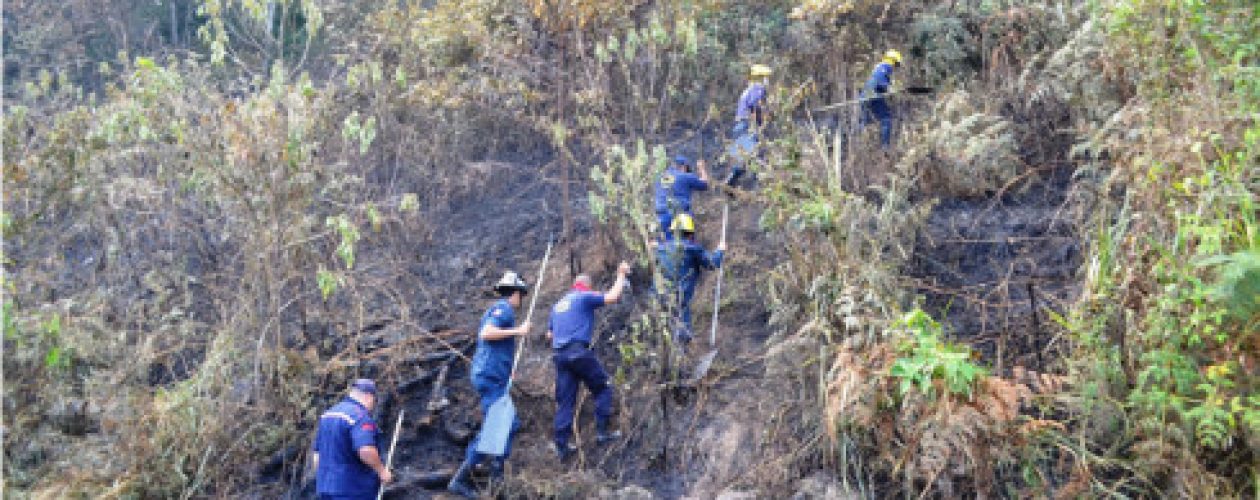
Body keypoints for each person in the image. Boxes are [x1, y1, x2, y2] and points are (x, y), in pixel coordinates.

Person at [447, 271, 533, 498]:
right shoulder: (503, 309)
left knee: (509, 424)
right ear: (515, 293)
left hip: (494, 376)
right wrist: (519, 331)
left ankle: (495, 476)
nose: (521, 300)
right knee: (498, 427)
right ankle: (464, 479)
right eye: (521, 295)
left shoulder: (501, 310)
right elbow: (487, 333)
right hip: (489, 377)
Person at [546, 262, 631, 460]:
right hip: (578, 352)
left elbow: (549, 335)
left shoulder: (557, 305)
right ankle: (602, 433)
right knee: (602, 387)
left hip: (560, 356)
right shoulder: (583, 297)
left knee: (565, 402)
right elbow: (612, 297)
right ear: (587, 287)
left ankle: (561, 447)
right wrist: (620, 275)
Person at [313, 379, 394, 500]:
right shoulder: (360, 417)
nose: (373, 405)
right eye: (374, 400)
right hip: (352, 490)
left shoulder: (328, 415)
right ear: (368, 397)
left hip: (325, 488)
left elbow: (317, 456)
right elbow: (365, 450)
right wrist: (382, 471)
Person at [655, 214, 725, 346]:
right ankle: (681, 355)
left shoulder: (661, 248)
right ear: (691, 234)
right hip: (680, 295)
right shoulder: (692, 249)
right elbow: (712, 263)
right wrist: (720, 250)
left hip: (658, 294)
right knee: (682, 331)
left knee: (664, 327)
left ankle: (670, 353)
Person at [727, 64, 772, 186]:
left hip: (739, 125)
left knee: (743, 157)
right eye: (766, 77)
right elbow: (755, 106)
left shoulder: (747, 90)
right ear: (761, 77)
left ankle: (731, 182)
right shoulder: (758, 89)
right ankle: (758, 185)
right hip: (748, 125)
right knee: (757, 154)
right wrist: (758, 123)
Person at [654, 155, 710, 240]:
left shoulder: (659, 178)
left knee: (666, 247)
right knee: (686, 246)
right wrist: (701, 168)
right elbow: (705, 184)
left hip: (661, 217)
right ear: (684, 166)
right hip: (679, 216)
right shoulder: (684, 176)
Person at [860, 50, 903, 147]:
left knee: (865, 122)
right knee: (886, 119)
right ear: (893, 61)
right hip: (872, 96)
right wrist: (890, 88)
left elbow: (879, 85)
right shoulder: (884, 68)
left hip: (867, 96)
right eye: (896, 64)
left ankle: (857, 145)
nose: (895, 68)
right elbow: (880, 82)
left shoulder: (879, 67)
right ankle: (885, 148)